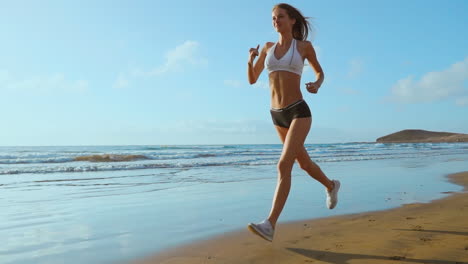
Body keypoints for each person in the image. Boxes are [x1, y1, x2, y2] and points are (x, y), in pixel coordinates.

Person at [246, 3, 341, 242]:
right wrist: (250, 60)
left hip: (299, 111)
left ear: (292, 21)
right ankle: (330, 185)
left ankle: (269, 224)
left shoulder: (304, 47)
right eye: (273, 18)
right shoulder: (267, 48)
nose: (275, 21)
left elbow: (320, 73)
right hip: (277, 114)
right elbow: (252, 79)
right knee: (304, 164)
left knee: (283, 165)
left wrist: (316, 85)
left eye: (280, 17)